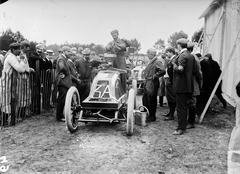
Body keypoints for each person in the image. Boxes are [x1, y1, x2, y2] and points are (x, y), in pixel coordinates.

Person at [0, 43, 29, 126]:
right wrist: (23, 61)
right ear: (13, 50)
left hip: (10, 82)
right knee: (5, 102)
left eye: (20, 48)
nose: (20, 50)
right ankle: (4, 122)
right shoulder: (11, 58)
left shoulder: (14, 57)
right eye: (18, 49)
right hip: (6, 83)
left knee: (8, 101)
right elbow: (20, 69)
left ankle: (5, 121)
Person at [172, 38, 195, 135]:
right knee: (184, 107)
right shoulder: (190, 55)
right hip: (188, 85)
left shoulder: (182, 56)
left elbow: (180, 70)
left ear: (179, 45)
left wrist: (174, 65)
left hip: (181, 86)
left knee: (181, 107)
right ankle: (183, 125)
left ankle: (181, 128)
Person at [55, 46, 80, 122]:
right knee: (61, 99)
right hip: (63, 82)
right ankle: (59, 116)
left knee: (63, 99)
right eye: (68, 51)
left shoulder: (64, 58)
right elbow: (62, 67)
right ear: (64, 51)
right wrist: (66, 73)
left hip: (64, 82)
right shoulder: (61, 58)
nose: (70, 53)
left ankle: (61, 115)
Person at [142, 48, 165, 122]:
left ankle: (152, 117)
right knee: (145, 99)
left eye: (148, 54)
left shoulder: (157, 61)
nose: (147, 55)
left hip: (152, 83)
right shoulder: (151, 61)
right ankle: (147, 114)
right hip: (148, 82)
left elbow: (163, 70)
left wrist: (154, 76)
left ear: (152, 54)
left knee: (151, 100)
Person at [186, 42, 203, 129]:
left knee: (192, 102)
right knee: (188, 102)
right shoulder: (189, 57)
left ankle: (191, 122)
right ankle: (189, 120)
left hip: (193, 83)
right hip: (188, 83)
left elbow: (199, 73)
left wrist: (200, 84)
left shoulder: (193, 58)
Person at [16, 40, 35, 119]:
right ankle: (20, 114)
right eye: (27, 47)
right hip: (22, 77)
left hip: (25, 76)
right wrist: (28, 70)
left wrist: (29, 68)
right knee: (22, 96)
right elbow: (21, 66)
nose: (29, 49)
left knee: (25, 95)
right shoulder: (21, 55)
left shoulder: (24, 54)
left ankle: (23, 113)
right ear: (24, 47)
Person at [163, 47, 177, 121]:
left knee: (172, 97)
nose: (166, 54)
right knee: (169, 97)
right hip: (168, 80)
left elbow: (173, 72)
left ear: (171, 52)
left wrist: (171, 80)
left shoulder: (174, 59)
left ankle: (171, 114)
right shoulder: (170, 59)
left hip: (171, 81)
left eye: (167, 52)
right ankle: (170, 112)